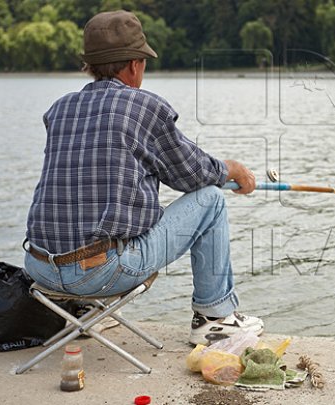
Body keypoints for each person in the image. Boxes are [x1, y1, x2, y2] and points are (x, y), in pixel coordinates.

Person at [22, 10, 262, 346]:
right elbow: (192, 175)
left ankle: (84, 312)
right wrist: (233, 170)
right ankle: (214, 317)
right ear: (134, 65)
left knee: (94, 215)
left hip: (40, 269)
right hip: (100, 273)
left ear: (89, 65)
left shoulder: (60, 108)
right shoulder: (144, 107)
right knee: (212, 201)